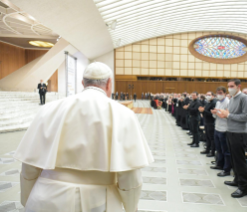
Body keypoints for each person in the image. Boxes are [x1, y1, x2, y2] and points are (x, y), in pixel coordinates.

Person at [14, 62, 154, 212]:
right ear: (109, 84)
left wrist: (28, 200)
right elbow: (130, 176)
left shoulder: (48, 110)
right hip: (99, 201)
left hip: (46, 197)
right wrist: (130, 207)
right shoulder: (123, 115)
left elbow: (29, 166)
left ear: (83, 83)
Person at [217, 79, 247, 198]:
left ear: (238, 86)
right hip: (230, 131)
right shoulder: (232, 99)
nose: (230, 88)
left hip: (239, 133)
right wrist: (225, 115)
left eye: (232, 86)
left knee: (240, 160)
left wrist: (229, 115)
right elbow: (231, 115)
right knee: (234, 159)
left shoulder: (244, 98)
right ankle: (237, 179)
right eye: (228, 86)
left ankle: (243, 187)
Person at [211, 87, 231, 177]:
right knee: (218, 149)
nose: (219, 94)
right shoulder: (218, 102)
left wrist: (217, 113)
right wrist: (214, 113)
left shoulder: (228, 102)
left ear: (225, 93)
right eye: (217, 92)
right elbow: (216, 116)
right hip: (217, 127)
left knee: (225, 150)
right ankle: (219, 164)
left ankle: (226, 169)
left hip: (224, 129)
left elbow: (227, 115)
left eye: (221, 92)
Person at [198, 91, 217, 157]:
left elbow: (213, 114)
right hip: (206, 121)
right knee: (207, 137)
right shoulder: (208, 102)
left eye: (209, 94)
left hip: (211, 122)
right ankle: (207, 149)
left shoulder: (214, 103)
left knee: (211, 138)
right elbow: (205, 112)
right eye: (207, 94)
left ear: (213, 96)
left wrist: (204, 111)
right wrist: (202, 111)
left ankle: (212, 151)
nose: (207, 96)